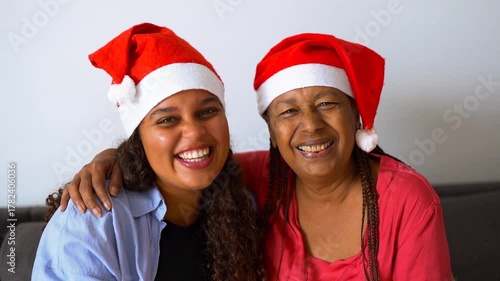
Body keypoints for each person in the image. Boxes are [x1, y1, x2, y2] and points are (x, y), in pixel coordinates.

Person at [61, 32, 453, 280]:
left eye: (327, 103)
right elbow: (191, 161)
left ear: (356, 116)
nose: (311, 126)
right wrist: (110, 157)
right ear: (271, 128)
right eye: (288, 111)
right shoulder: (257, 177)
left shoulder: (407, 200)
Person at [32, 22, 264, 281]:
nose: (196, 132)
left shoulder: (241, 202)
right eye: (168, 120)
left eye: (207, 112)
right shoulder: (92, 218)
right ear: (138, 138)